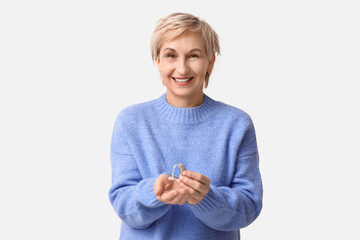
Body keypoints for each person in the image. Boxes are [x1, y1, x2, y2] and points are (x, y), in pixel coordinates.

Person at [109, 12, 263, 240]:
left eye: (193, 56)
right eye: (171, 55)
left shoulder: (237, 124)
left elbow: (249, 207)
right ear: (157, 62)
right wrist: (154, 193)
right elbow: (123, 205)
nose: (182, 69)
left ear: (210, 62)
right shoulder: (131, 121)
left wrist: (207, 198)